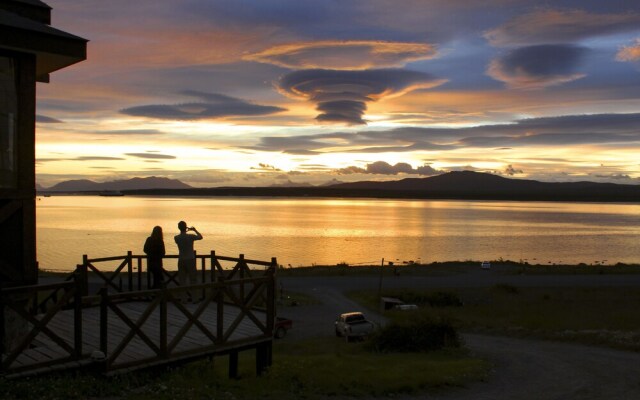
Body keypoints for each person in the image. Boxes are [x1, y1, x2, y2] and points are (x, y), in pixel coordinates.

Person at [174, 221, 203, 299]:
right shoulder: (191, 236)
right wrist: (194, 230)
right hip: (190, 259)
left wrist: (186, 230)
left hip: (181, 259)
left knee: (182, 280)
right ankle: (195, 298)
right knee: (193, 279)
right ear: (186, 227)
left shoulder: (176, 238)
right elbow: (200, 237)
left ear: (178, 228)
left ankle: (183, 299)